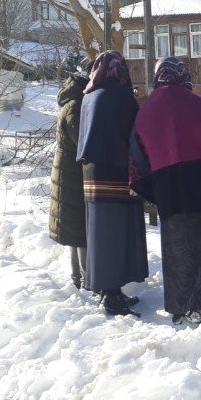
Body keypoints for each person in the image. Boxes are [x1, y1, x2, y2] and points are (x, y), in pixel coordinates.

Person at [130, 57, 201, 326]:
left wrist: (149, 187)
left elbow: (138, 154)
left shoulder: (148, 108)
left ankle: (180, 305)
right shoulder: (199, 103)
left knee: (178, 247)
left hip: (170, 187)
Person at [76, 50, 148, 317]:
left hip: (91, 171)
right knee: (117, 232)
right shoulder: (120, 96)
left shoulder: (89, 94)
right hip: (116, 170)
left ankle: (109, 290)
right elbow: (135, 132)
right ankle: (111, 295)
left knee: (101, 231)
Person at [48, 52, 91, 289]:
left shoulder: (72, 101)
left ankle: (80, 279)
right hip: (72, 173)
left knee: (76, 229)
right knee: (80, 229)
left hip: (68, 171)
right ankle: (84, 280)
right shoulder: (76, 106)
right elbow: (81, 142)